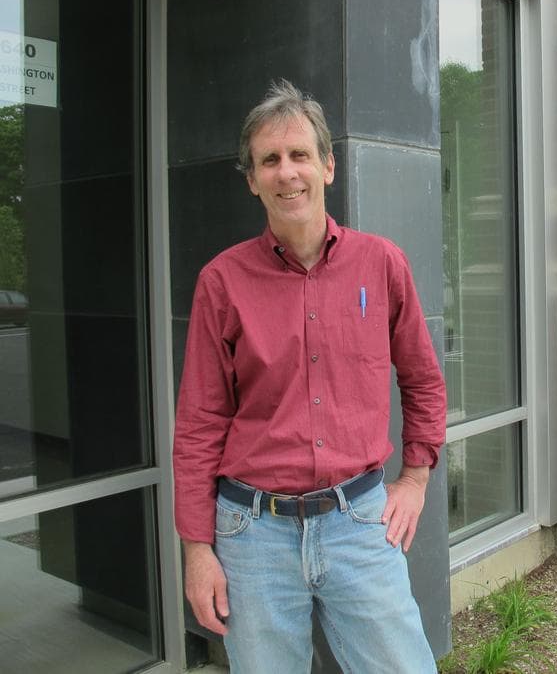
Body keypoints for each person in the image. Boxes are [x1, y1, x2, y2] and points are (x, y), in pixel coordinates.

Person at [172, 79, 447, 673]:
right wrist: (198, 549)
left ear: (327, 165)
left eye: (299, 155)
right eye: (269, 160)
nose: (286, 172)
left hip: (359, 524)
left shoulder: (382, 263)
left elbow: (423, 379)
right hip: (253, 536)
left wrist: (416, 478)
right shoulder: (222, 282)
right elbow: (199, 423)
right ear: (251, 179)